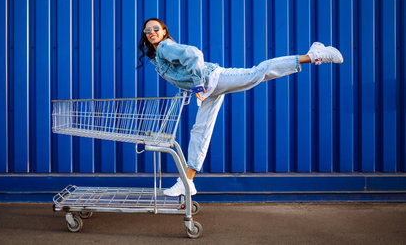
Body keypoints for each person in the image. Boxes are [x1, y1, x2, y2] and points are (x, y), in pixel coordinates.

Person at [137, 18, 343, 197]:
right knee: (200, 132)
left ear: (164, 31)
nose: (152, 33)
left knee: (257, 73)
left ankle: (314, 55)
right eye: (148, 31)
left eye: (156, 29)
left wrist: (198, 82)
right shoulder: (158, 56)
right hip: (210, 89)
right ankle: (186, 182)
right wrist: (192, 86)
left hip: (213, 79)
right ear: (145, 36)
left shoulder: (165, 47)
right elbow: (183, 71)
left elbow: (194, 55)